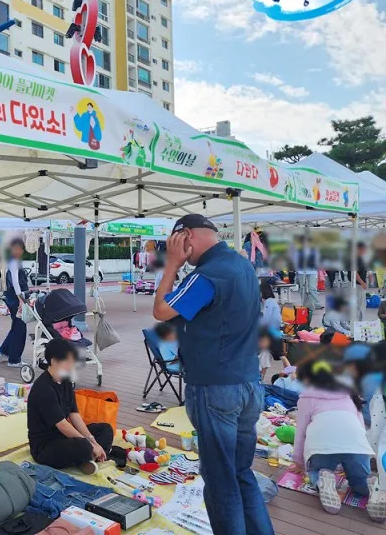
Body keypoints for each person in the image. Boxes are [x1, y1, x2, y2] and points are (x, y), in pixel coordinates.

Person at [152, 214, 274, 535]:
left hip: (215, 386)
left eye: (175, 242)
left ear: (186, 236)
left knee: (221, 483)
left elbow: (161, 310)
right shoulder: (242, 265)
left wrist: (172, 265)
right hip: (248, 382)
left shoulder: (208, 274)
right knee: (242, 474)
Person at [291, 360, 378, 518]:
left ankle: (322, 481)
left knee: (316, 471)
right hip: (357, 444)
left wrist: (299, 461)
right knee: (360, 483)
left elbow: (301, 432)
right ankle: (371, 486)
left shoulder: (307, 397)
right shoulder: (349, 394)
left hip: (322, 445)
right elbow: (360, 427)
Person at [27, 338, 113, 475]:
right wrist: (89, 444)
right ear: (54, 361)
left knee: (105, 429)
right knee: (83, 446)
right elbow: (62, 425)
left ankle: (89, 457)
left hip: (64, 438)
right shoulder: (43, 388)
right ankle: (89, 456)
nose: (71, 365)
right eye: (68, 361)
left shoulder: (66, 381)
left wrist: (92, 440)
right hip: (45, 446)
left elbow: (74, 414)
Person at [0, 239, 30, 368]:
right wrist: (21, 298)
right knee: (20, 328)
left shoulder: (11, 261)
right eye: (16, 249)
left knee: (16, 326)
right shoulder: (14, 262)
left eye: (20, 249)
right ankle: (14, 359)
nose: (18, 251)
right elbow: (16, 282)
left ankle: (5, 350)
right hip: (16, 299)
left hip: (13, 298)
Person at [343, 344, 382, 428]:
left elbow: (370, 417)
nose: (348, 369)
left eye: (348, 365)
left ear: (356, 364)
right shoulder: (376, 376)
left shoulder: (370, 381)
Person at [293, 235, 321, 310]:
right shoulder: (298, 251)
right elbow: (295, 261)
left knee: (312, 288)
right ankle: (304, 303)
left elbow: (317, 261)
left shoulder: (314, 251)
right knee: (302, 288)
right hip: (301, 271)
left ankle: (316, 304)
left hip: (312, 271)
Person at [355, 241, 369, 321]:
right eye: (364, 249)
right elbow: (354, 273)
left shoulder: (361, 258)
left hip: (361, 284)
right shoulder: (355, 259)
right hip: (358, 285)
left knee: (362, 305)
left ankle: (361, 321)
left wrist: (368, 275)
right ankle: (358, 322)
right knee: (359, 305)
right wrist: (362, 283)